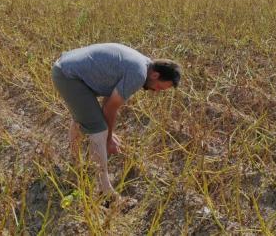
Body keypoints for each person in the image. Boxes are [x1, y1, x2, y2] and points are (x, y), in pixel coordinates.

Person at [51, 43, 181, 199]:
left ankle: (75, 164)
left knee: (85, 117)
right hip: (69, 76)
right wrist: (108, 138)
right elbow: (110, 108)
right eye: (160, 87)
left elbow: (108, 101)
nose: (156, 92)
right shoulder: (139, 74)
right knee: (99, 130)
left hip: (66, 68)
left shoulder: (142, 63)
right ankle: (106, 193)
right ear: (155, 75)